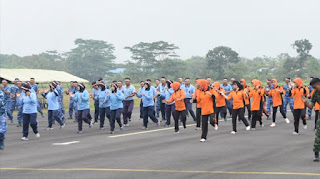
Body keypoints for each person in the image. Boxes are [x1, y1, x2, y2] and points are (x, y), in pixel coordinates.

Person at [301, 78, 320, 162]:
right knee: (318, 135)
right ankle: (316, 154)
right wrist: (306, 102)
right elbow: (311, 106)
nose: (314, 89)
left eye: (315, 87)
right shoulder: (315, 93)